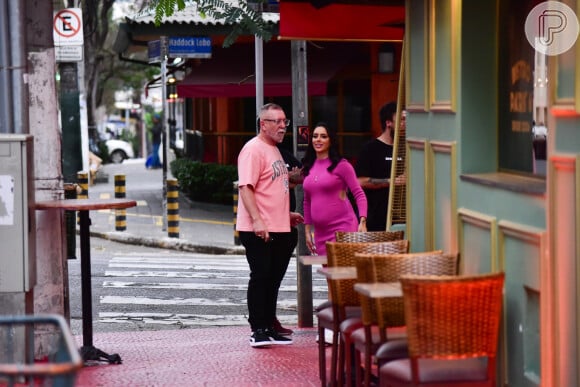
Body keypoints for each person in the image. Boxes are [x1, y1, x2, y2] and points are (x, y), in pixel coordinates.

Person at [237, 103, 304, 347]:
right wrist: (257, 221)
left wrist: (286, 215)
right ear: (263, 124)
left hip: (279, 227)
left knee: (273, 279)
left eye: (284, 121)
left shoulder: (274, 150)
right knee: (261, 277)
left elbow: (272, 190)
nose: (283, 126)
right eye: (276, 121)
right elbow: (246, 187)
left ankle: (268, 325)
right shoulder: (253, 150)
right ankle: (257, 329)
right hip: (258, 229)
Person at [302, 122, 367, 256]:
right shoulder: (309, 166)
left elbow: (359, 194)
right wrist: (307, 230)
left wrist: (362, 221)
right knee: (330, 276)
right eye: (315, 136)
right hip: (320, 233)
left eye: (323, 136)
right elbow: (307, 201)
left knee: (343, 274)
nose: (318, 139)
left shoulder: (342, 165)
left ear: (331, 140)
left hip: (343, 228)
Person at [355, 102, 406, 231]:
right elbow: (360, 181)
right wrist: (391, 181)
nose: (405, 124)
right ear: (388, 123)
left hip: (402, 217)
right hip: (376, 218)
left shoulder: (407, 148)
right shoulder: (370, 148)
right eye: (401, 119)